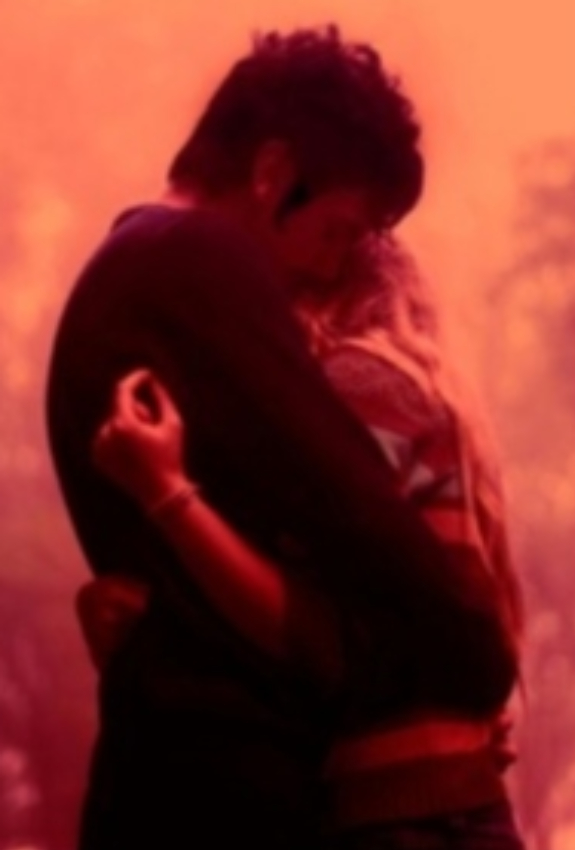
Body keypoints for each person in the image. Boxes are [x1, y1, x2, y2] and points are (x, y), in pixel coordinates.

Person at [46, 27, 518, 850]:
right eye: (335, 230)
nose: (334, 269)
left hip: (172, 782)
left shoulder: (127, 272)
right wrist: (478, 660)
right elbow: (356, 514)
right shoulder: (194, 258)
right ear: (272, 174)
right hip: (218, 800)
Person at [88, 237, 526, 849]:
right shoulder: (415, 387)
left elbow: (309, 625)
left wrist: (166, 495)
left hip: (403, 809)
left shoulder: (361, 380)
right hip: (431, 804)